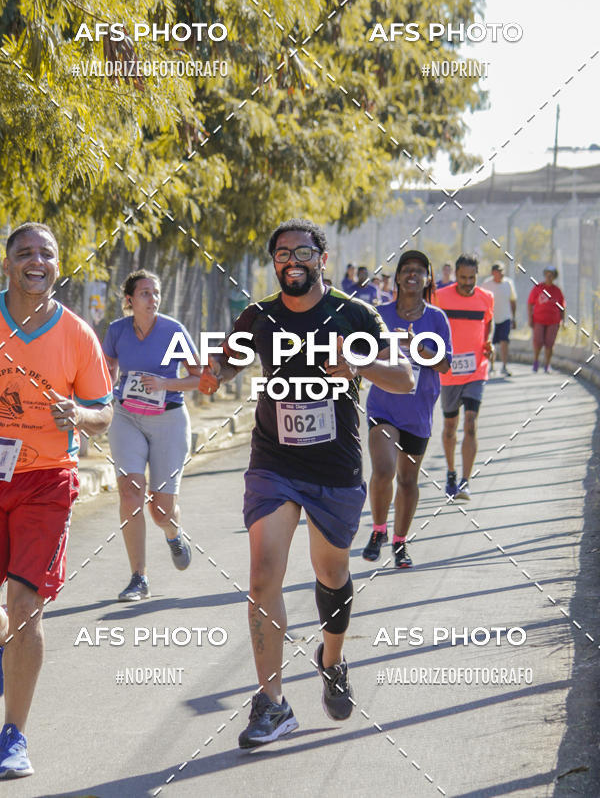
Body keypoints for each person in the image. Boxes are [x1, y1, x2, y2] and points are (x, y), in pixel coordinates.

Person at [198, 218, 413, 748]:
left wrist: (355, 364)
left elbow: (405, 377)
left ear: (321, 256)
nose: (292, 260)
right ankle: (272, 703)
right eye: (281, 253)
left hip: (334, 467)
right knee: (262, 574)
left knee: (331, 570)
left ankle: (332, 659)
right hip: (274, 462)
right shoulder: (259, 316)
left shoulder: (354, 313)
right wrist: (213, 370)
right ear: (274, 262)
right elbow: (225, 365)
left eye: (302, 251)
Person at [0, 222, 113, 778]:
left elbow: (104, 411)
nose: (36, 261)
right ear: (8, 264)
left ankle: (14, 736)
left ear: (58, 263)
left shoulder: (77, 335)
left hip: (47, 479)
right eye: (25, 253)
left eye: (46, 253)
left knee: (24, 607)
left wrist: (82, 416)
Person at [102, 271, 203, 601]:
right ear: (129, 300)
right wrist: (105, 393)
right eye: (145, 293)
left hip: (168, 420)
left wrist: (165, 384)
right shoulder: (117, 330)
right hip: (127, 416)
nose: (153, 298)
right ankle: (139, 578)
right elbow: (108, 368)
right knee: (130, 494)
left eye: (156, 293)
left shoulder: (174, 331)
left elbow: (200, 378)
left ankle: (174, 534)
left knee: (160, 511)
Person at [363, 251, 452, 568]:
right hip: (383, 406)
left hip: (418, 411)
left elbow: (444, 365)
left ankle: (400, 542)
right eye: (406, 270)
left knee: (408, 481)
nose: (412, 275)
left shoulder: (437, 319)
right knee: (384, 470)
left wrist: (419, 346)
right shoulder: (378, 314)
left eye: (419, 271)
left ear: (428, 280)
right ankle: (378, 530)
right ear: (397, 277)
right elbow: (360, 353)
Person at [435, 255, 494, 501]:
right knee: (450, 427)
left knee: (470, 423)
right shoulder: (441, 296)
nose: (467, 283)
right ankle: (450, 473)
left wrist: (487, 342)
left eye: (472, 278)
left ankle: (465, 481)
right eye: (463, 278)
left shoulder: (486, 298)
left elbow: (487, 323)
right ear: (455, 275)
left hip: (476, 369)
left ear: (477, 276)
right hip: (449, 371)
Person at [527, 265, 565, 373]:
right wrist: (530, 318)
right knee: (538, 342)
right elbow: (530, 303)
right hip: (539, 320)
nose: (549, 277)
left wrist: (563, 320)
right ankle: (536, 361)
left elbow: (562, 306)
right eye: (547, 274)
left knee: (549, 344)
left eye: (551, 275)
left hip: (553, 321)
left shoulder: (557, 290)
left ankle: (547, 365)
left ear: (554, 277)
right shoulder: (538, 288)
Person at [482, 263, 517, 376]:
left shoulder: (508, 283)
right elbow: (481, 300)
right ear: (493, 273)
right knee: (490, 343)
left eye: (502, 271)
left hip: (505, 317)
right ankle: (491, 367)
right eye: (498, 271)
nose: (501, 273)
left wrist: (514, 317)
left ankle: (504, 366)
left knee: (504, 342)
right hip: (491, 319)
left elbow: (513, 300)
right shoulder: (486, 284)